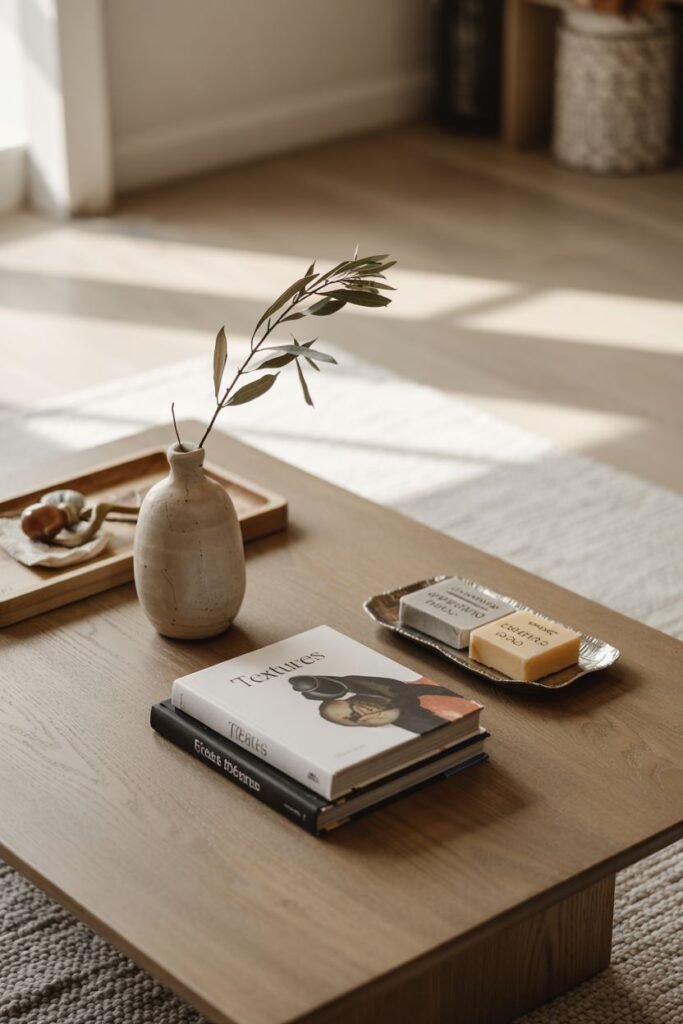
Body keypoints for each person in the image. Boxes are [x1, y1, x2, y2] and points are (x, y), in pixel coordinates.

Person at [289, 673, 474, 734]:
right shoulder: (424, 727)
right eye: (352, 716)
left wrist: (335, 684)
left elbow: (390, 687)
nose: (362, 710)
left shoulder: (414, 688)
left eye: (353, 703)